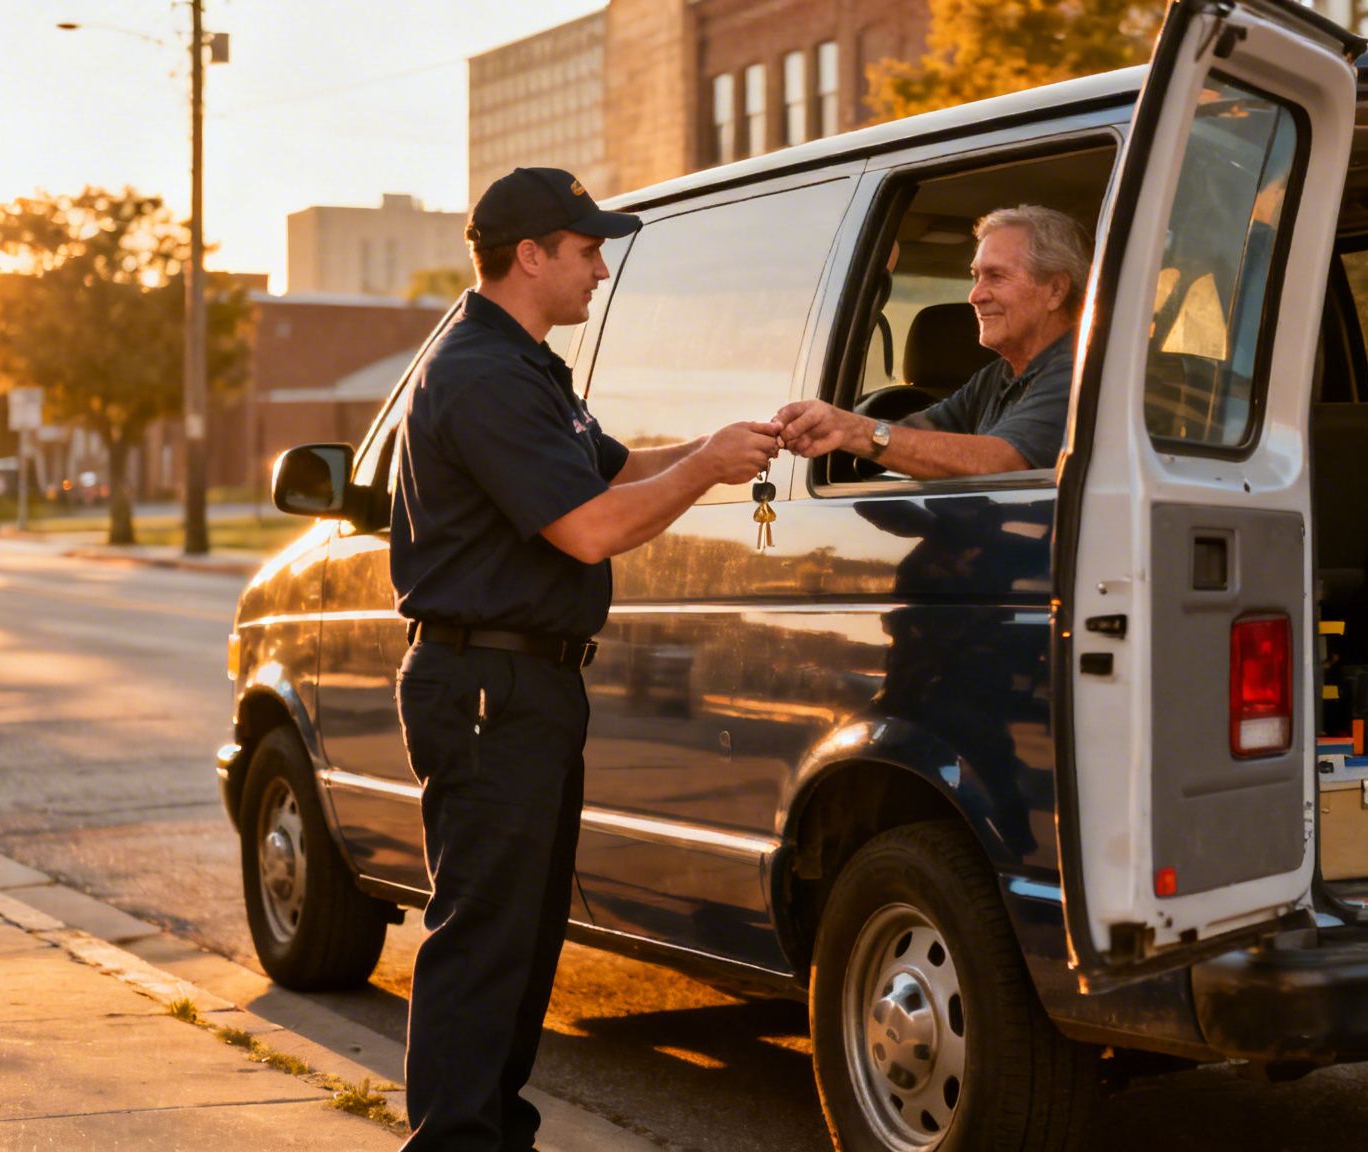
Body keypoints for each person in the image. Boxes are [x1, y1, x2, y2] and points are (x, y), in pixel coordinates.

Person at [388, 166, 780, 1152]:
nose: (600, 269)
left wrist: (729, 443)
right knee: (484, 938)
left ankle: (490, 1132)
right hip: (486, 688)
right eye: (586, 248)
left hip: (522, 684)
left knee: (518, 937)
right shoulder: (480, 376)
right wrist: (703, 470)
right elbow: (589, 529)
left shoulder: (517, 365)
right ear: (530, 255)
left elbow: (611, 470)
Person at [776, 204, 1090, 478]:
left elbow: (1002, 460)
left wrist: (854, 430)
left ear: (1055, 290)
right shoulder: (998, 376)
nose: (975, 296)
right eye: (975, 276)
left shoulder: (1080, 374)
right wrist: (821, 428)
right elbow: (920, 433)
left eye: (996, 276)